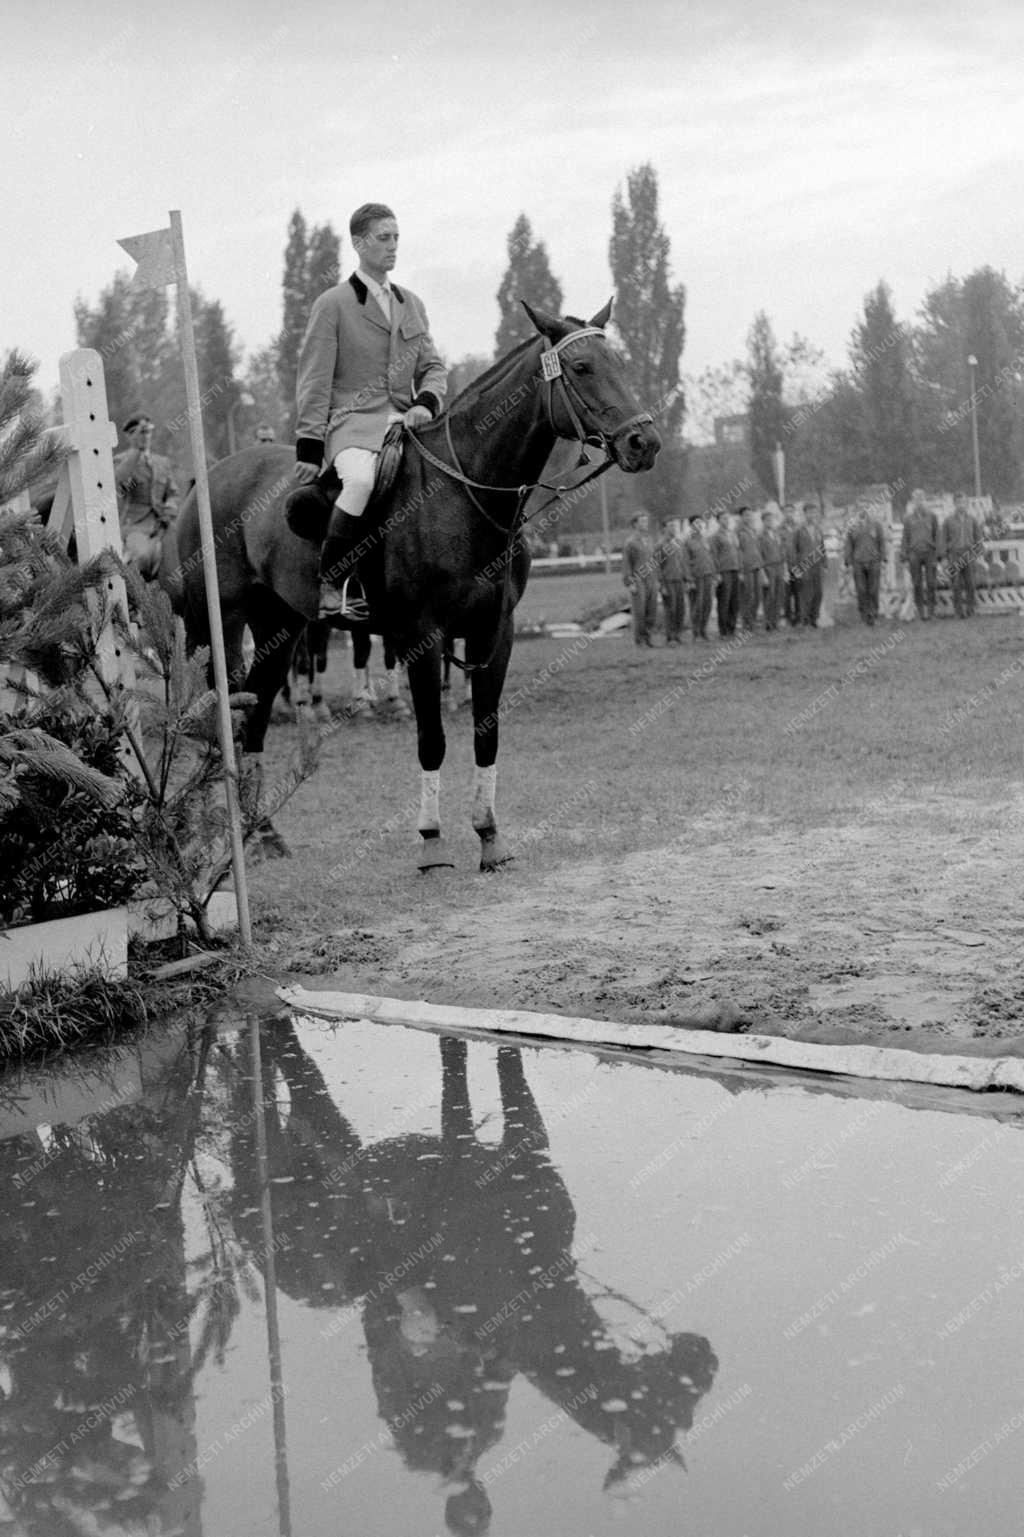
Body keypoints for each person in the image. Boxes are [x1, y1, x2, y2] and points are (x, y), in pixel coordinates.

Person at [289, 202, 448, 620]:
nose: (393, 245)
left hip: (405, 423)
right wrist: (309, 446)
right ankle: (331, 582)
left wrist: (426, 403)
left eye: (396, 237)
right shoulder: (333, 304)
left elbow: (432, 367)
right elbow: (314, 380)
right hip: (352, 425)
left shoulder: (411, 304)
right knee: (359, 481)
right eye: (383, 237)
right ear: (359, 243)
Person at [112, 413, 178, 580]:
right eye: (141, 432)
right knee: (141, 557)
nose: (145, 436)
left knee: (185, 553)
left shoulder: (162, 462)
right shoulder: (120, 461)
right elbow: (119, 483)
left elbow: (173, 493)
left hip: (163, 525)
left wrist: (171, 507)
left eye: (148, 432)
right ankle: (131, 593)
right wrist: (135, 451)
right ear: (130, 435)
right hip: (135, 526)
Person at [941, 491, 984, 619]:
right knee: (956, 584)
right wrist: (943, 557)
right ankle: (958, 611)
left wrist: (978, 553)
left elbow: (979, 537)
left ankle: (970, 609)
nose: (961, 505)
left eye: (964, 502)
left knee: (970, 583)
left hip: (969, 553)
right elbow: (943, 539)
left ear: (967, 504)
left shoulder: (972, 520)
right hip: (954, 554)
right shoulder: (948, 521)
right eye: (959, 502)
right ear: (955, 504)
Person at [844, 501, 887, 626]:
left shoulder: (876, 525)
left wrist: (883, 559)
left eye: (866, 508)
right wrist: (848, 561)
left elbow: (882, 543)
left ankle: (874, 614)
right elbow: (848, 545)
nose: (863, 510)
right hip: (858, 562)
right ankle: (863, 615)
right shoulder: (852, 527)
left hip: (874, 561)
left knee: (873, 589)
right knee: (861, 589)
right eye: (860, 508)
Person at [900, 489, 940, 621]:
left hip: (929, 552)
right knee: (916, 583)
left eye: (921, 499)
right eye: (916, 500)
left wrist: (938, 554)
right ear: (913, 502)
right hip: (914, 553)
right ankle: (921, 612)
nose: (919, 502)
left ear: (925, 501)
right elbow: (905, 538)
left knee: (931, 582)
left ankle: (931, 612)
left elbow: (937, 536)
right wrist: (904, 556)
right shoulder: (908, 519)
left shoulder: (932, 517)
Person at [622, 511, 658, 646]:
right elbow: (627, 563)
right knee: (639, 611)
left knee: (651, 610)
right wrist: (629, 582)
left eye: (646, 521)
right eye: (642, 521)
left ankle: (648, 637)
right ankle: (639, 640)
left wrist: (657, 579)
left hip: (651, 579)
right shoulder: (630, 542)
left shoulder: (649, 540)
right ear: (635, 524)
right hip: (638, 580)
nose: (645, 524)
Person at [682, 514, 715, 640]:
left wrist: (714, 574)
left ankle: (703, 630)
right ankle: (695, 632)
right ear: (691, 526)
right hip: (696, 577)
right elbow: (685, 562)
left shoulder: (705, 539)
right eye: (696, 523)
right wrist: (689, 579)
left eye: (700, 523)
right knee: (697, 604)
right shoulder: (687, 541)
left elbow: (710, 558)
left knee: (708, 603)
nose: (699, 525)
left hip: (708, 575)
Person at [655, 516, 686, 644]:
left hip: (679, 579)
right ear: (664, 528)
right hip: (668, 580)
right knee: (670, 608)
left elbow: (682, 562)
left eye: (675, 526)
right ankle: (670, 636)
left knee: (680, 608)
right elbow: (656, 566)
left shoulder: (678, 543)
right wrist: (661, 585)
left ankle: (678, 634)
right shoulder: (660, 545)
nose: (674, 529)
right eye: (671, 526)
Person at [711, 507, 740, 637]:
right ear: (718, 521)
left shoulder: (732, 534)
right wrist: (717, 573)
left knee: (734, 600)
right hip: (724, 571)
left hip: (734, 569)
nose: (726, 521)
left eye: (728, 518)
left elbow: (737, 551)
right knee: (724, 600)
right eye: (723, 519)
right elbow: (714, 555)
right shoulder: (715, 536)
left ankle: (732, 628)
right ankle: (723, 630)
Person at [798, 502, 827, 627]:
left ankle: (815, 617)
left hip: (817, 564)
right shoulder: (799, 530)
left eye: (814, 512)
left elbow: (822, 547)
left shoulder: (818, 529)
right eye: (809, 512)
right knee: (806, 592)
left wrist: (825, 563)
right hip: (805, 565)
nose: (812, 515)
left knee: (818, 592)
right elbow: (794, 549)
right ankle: (805, 618)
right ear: (804, 514)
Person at [759, 507, 786, 632]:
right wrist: (763, 572)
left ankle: (776, 621)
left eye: (771, 520)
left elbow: (782, 550)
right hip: (768, 566)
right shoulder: (760, 536)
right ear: (763, 521)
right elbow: (759, 555)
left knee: (779, 595)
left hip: (779, 566)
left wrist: (784, 568)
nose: (770, 522)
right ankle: (768, 623)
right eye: (767, 520)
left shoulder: (776, 534)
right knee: (769, 595)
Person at [736, 506, 762, 631]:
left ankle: (753, 620)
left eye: (750, 515)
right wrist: (740, 570)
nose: (749, 517)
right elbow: (738, 551)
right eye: (746, 515)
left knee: (757, 595)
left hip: (756, 566)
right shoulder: (738, 531)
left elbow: (757, 549)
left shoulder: (754, 530)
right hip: (746, 568)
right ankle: (746, 623)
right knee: (747, 596)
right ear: (741, 517)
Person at [780, 503, 801, 626]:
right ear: (783, 513)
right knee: (786, 593)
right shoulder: (779, 529)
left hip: (798, 564)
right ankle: (788, 617)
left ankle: (799, 616)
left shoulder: (799, 528)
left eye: (791, 512)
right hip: (785, 565)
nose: (789, 514)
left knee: (798, 591)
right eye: (787, 512)